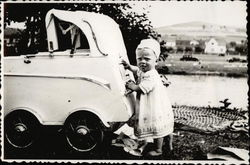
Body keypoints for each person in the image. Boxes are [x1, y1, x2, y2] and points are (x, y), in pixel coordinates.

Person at [121, 38, 174, 156]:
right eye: (139, 59)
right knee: (163, 125)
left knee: (157, 126)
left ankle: (158, 149)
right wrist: (130, 67)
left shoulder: (151, 75)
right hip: (155, 102)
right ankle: (169, 142)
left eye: (147, 59)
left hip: (153, 105)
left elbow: (143, 87)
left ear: (156, 60)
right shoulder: (143, 70)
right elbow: (137, 70)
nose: (142, 62)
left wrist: (133, 86)